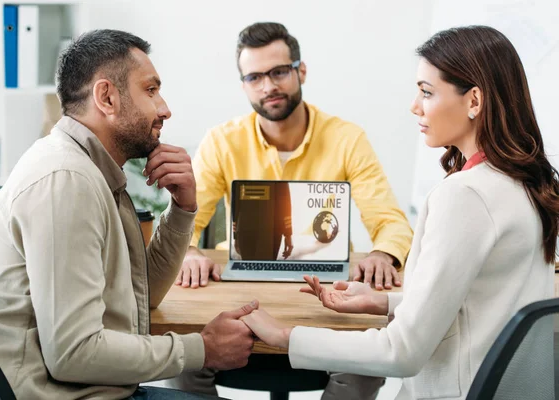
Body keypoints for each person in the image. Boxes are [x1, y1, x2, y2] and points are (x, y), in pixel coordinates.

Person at [240, 25, 559, 400]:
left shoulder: (465, 196)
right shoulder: (524, 180)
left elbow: (401, 351)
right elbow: (481, 301)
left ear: (474, 101)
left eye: (426, 92)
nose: (414, 106)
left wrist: (285, 336)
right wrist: (384, 301)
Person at [0, 29, 259, 400]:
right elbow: (74, 353)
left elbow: (141, 296)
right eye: (150, 90)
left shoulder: (92, 172)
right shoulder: (66, 181)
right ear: (106, 97)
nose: (165, 108)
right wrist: (201, 348)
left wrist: (182, 209)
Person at [166, 22, 413, 400]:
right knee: (183, 361)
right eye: (254, 77)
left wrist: (383, 252)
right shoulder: (221, 141)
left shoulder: (347, 138)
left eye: (279, 72)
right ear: (244, 84)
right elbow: (185, 220)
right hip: (242, 301)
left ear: (301, 70)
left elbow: (390, 221)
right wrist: (190, 251)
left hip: (324, 304)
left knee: (365, 365)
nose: (268, 86)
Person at [232, 181, 293, 260]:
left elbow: (235, 198)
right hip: (271, 226)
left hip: (245, 224)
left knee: (249, 269)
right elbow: (283, 197)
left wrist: (236, 234)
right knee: (266, 269)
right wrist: (288, 233)